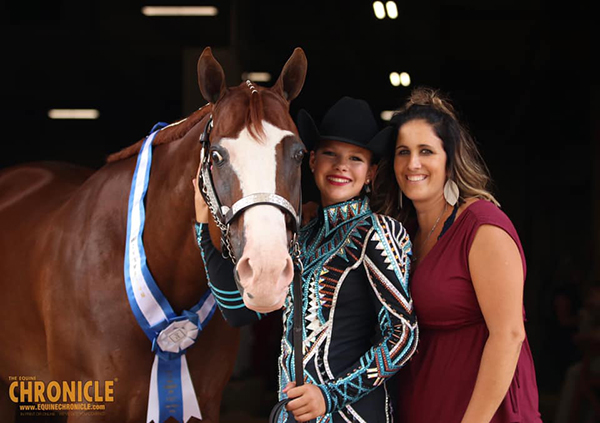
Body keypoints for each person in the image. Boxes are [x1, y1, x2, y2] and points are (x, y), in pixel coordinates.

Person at [193, 97, 419, 422]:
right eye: (330, 154)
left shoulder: (377, 231)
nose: (341, 166)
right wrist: (203, 227)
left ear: (370, 173)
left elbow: (403, 334)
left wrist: (330, 397)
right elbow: (236, 310)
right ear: (311, 161)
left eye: (355, 158)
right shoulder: (303, 237)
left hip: (352, 414)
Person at [371, 87, 543, 423]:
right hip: (422, 406)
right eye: (403, 151)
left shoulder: (481, 226)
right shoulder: (402, 232)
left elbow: (509, 335)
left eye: (426, 151)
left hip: (482, 413)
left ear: (450, 159)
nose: (413, 163)